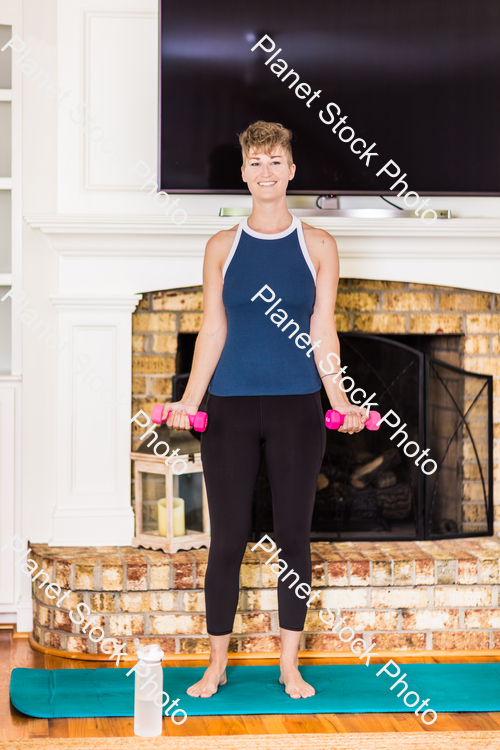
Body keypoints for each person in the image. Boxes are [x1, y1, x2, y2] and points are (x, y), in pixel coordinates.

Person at [161, 121, 367, 700]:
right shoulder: (222, 247)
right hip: (227, 409)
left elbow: (322, 328)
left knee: (292, 536)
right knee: (226, 538)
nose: (267, 171)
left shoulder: (319, 244)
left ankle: (289, 665)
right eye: (257, 162)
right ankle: (216, 663)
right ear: (245, 172)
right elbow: (213, 328)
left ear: (292, 170)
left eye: (277, 160)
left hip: (297, 410)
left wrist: (341, 401)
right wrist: (189, 401)